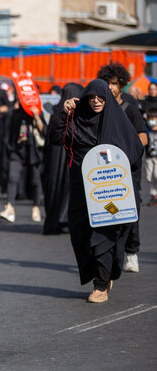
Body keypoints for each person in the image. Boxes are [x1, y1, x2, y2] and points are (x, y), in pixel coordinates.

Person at [55, 79, 143, 303]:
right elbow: (56, 138)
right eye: (91, 97)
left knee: (104, 234)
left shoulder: (118, 121)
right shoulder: (77, 119)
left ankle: (100, 285)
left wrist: (112, 170)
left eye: (100, 97)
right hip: (81, 190)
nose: (95, 101)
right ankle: (102, 275)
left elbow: (135, 149)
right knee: (82, 235)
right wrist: (62, 113)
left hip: (109, 193)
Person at [97, 62, 146, 274]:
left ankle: (131, 253)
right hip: (104, 174)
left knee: (131, 211)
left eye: (114, 83)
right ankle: (109, 255)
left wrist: (125, 152)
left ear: (122, 85)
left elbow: (143, 137)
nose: (110, 87)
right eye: (107, 83)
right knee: (108, 210)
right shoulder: (98, 109)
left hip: (129, 172)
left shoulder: (130, 109)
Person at [42, 83, 83, 234]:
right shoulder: (78, 113)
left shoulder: (56, 111)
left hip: (54, 159)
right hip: (69, 157)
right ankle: (65, 218)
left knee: (54, 187)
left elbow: (49, 137)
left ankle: (55, 219)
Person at [0, 99, 45, 223]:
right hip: (18, 150)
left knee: (35, 180)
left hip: (33, 150)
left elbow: (44, 130)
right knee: (12, 178)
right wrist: (9, 148)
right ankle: (10, 207)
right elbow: (8, 132)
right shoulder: (14, 113)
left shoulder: (37, 112)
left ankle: (36, 207)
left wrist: (35, 115)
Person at [145, 109, 157, 206]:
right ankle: (153, 195)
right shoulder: (147, 130)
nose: (151, 120)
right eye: (150, 119)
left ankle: (154, 194)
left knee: (156, 175)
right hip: (149, 156)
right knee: (149, 177)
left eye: (153, 118)